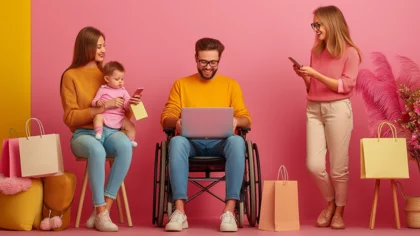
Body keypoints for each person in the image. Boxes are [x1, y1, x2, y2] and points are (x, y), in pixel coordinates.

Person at [161, 37, 251, 232]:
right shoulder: (181, 85)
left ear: (219, 60)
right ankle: (179, 212)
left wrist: (236, 121)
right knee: (176, 142)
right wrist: (175, 122)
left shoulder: (230, 85)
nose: (208, 67)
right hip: (190, 143)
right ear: (196, 58)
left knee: (237, 142)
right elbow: (166, 118)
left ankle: (229, 211)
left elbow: (246, 119)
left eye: (213, 62)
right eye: (203, 61)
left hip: (221, 143)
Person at [60, 26, 141, 232]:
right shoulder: (70, 76)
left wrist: (130, 104)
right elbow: (70, 117)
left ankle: (102, 212)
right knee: (97, 150)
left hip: (111, 131)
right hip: (83, 134)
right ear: (86, 47)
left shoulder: (107, 74)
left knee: (124, 145)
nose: (103, 50)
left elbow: (121, 114)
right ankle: (100, 210)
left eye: (104, 45)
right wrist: (102, 107)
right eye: (98, 46)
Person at [292, 5, 362, 229]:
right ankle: (331, 203)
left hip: (338, 110)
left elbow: (344, 86)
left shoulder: (350, 53)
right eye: (314, 25)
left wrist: (316, 74)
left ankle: (339, 211)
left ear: (331, 23)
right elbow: (313, 88)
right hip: (314, 108)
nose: (315, 29)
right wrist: (305, 76)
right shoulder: (316, 51)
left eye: (318, 24)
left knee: (338, 168)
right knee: (313, 164)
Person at [92, 61, 138, 147]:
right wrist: (97, 102)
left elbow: (127, 104)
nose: (120, 82)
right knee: (97, 117)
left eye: (122, 79)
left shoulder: (123, 91)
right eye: (117, 79)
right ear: (107, 79)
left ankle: (130, 140)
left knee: (131, 126)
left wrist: (131, 102)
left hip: (119, 118)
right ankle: (98, 132)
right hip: (105, 115)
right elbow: (94, 101)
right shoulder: (102, 89)